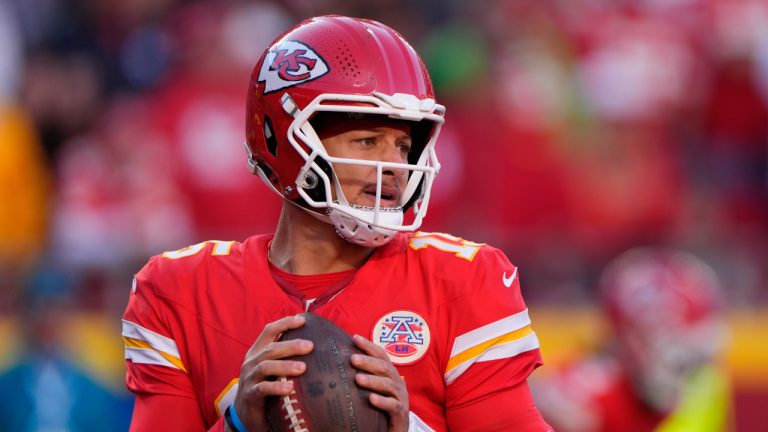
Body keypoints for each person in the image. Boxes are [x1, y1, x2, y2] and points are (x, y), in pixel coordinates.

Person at [122, 15, 551, 432]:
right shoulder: (182, 292)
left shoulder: (461, 281)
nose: (395, 165)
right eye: (368, 141)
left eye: (403, 146)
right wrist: (239, 423)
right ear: (285, 140)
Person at [532, 248, 731, 432]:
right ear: (634, 339)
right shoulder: (584, 400)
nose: (690, 366)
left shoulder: (704, 385)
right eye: (682, 354)